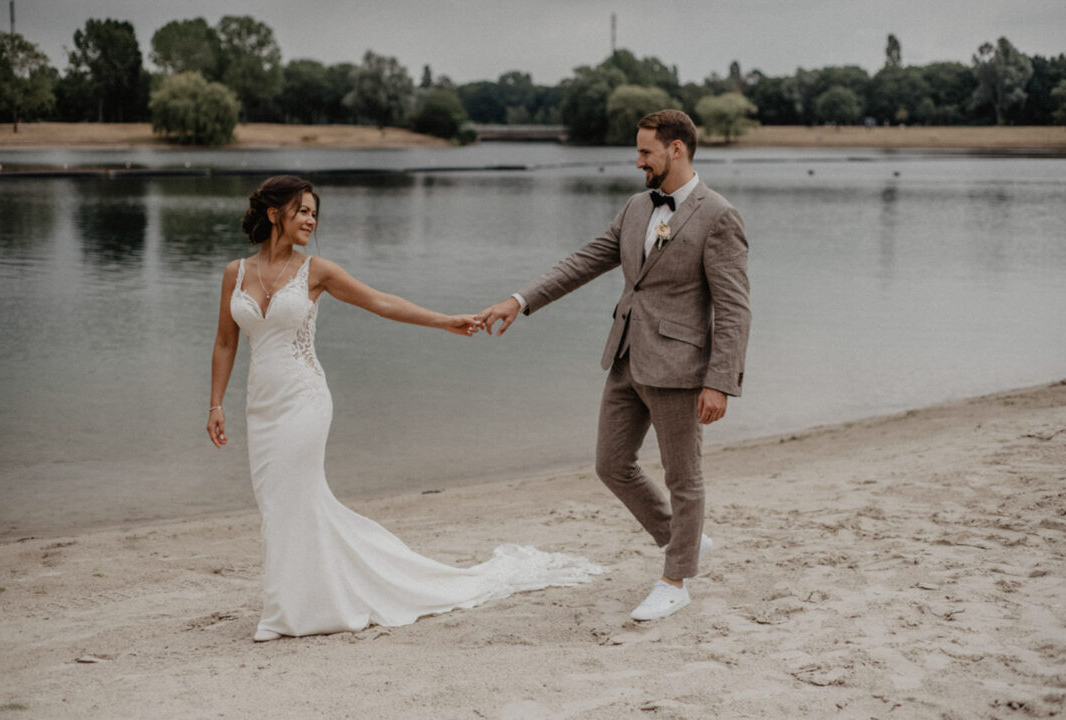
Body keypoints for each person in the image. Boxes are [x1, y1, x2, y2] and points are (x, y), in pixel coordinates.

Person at [208, 175, 602, 642]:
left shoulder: (317, 271)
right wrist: (216, 402)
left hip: (304, 400)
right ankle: (303, 600)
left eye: (315, 212)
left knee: (293, 496)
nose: (312, 220)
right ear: (275, 214)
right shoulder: (235, 273)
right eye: (303, 211)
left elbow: (381, 303)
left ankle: (284, 613)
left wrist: (445, 321)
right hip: (261, 406)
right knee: (278, 503)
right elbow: (225, 342)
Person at [478, 110, 751, 621]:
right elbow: (583, 261)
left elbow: (734, 307)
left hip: (680, 366)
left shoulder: (719, 216)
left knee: (683, 478)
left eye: (646, 151)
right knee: (611, 464)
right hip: (625, 357)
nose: (638, 160)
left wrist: (720, 382)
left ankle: (676, 580)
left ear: (676, 149)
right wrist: (519, 300)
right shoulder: (635, 207)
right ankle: (684, 541)